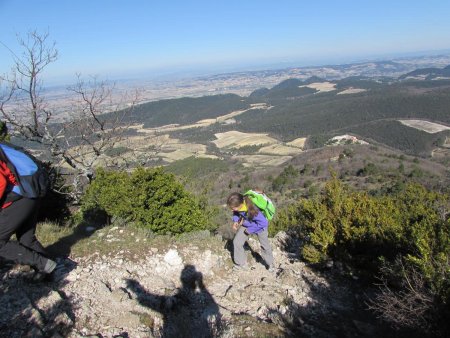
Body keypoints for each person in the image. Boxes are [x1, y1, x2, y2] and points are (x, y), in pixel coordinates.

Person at [0, 159, 57, 280]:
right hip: (29, 191)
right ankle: (48, 269)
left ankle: (43, 264)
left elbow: (1, 182)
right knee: (26, 238)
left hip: (19, 198)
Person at [226, 192, 275, 272]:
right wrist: (236, 221)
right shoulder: (239, 206)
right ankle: (240, 263)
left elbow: (263, 223)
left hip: (260, 227)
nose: (231, 209)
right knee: (237, 242)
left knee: (264, 245)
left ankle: (270, 264)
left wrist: (249, 230)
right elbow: (236, 212)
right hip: (247, 223)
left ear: (240, 205)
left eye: (233, 208)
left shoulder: (254, 209)